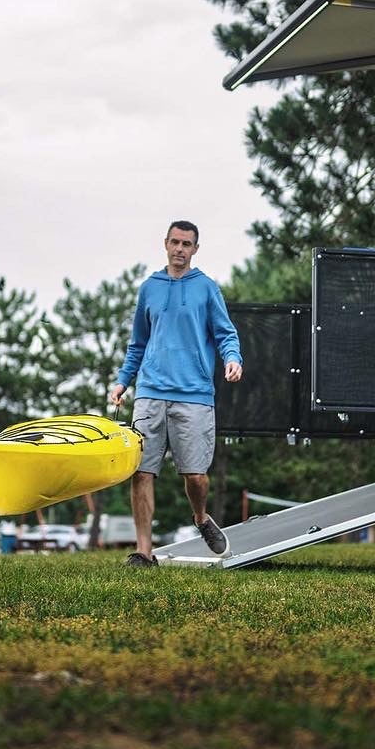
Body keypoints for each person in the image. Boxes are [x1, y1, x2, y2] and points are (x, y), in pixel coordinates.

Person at [108, 220, 243, 566]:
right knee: (142, 471)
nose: (180, 249)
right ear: (165, 244)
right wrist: (124, 381)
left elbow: (226, 334)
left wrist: (232, 358)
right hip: (150, 393)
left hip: (195, 394)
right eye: (175, 242)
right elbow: (137, 343)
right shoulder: (149, 288)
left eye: (187, 244)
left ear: (196, 249)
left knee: (195, 476)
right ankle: (143, 552)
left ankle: (200, 517)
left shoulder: (207, 288)